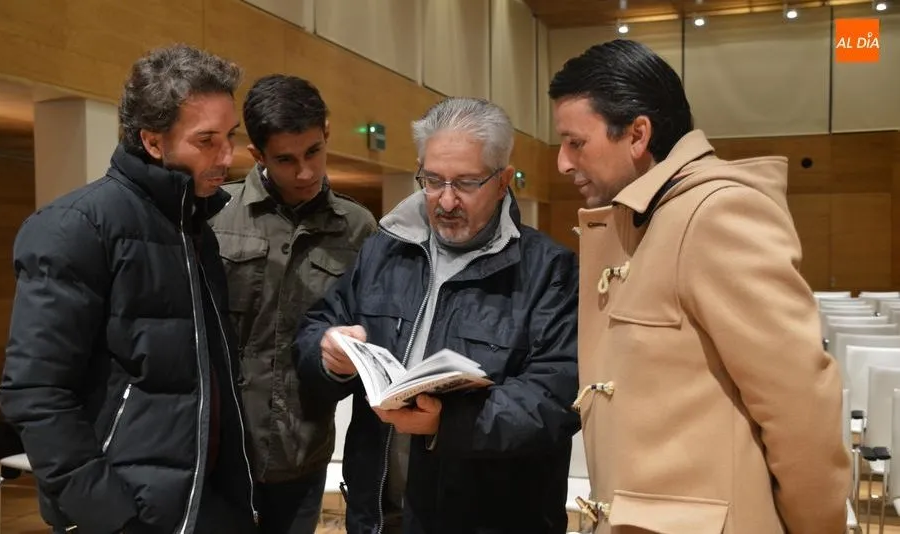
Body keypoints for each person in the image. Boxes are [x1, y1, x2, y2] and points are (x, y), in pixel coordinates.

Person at [549, 39, 851, 534]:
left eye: (575, 142)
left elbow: (801, 411)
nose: (562, 162)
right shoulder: (647, 219)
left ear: (637, 134)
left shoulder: (717, 213)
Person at [0, 44, 258, 534]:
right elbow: (37, 394)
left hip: (207, 503)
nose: (227, 156)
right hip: (130, 513)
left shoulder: (193, 226)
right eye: (206, 141)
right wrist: (111, 519)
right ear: (153, 141)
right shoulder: (76, 227)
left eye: (230, 137)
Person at [294, 97, 581, 534]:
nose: (446, 200)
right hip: (379, 515)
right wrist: (326, 352)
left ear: (503, 181)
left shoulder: (548, 271)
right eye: (432, 180)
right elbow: (318, 325)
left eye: (466, 183)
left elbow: (556, 399)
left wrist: (449, 423)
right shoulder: (383, 250)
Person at [210, 74, 377, 534]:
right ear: (257, 156)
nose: (304, 172)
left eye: (313, 153)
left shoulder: (358, 228)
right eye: (285, 160)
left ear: (327, 133)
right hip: (221, 450)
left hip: (303, 451)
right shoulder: (214, 216)